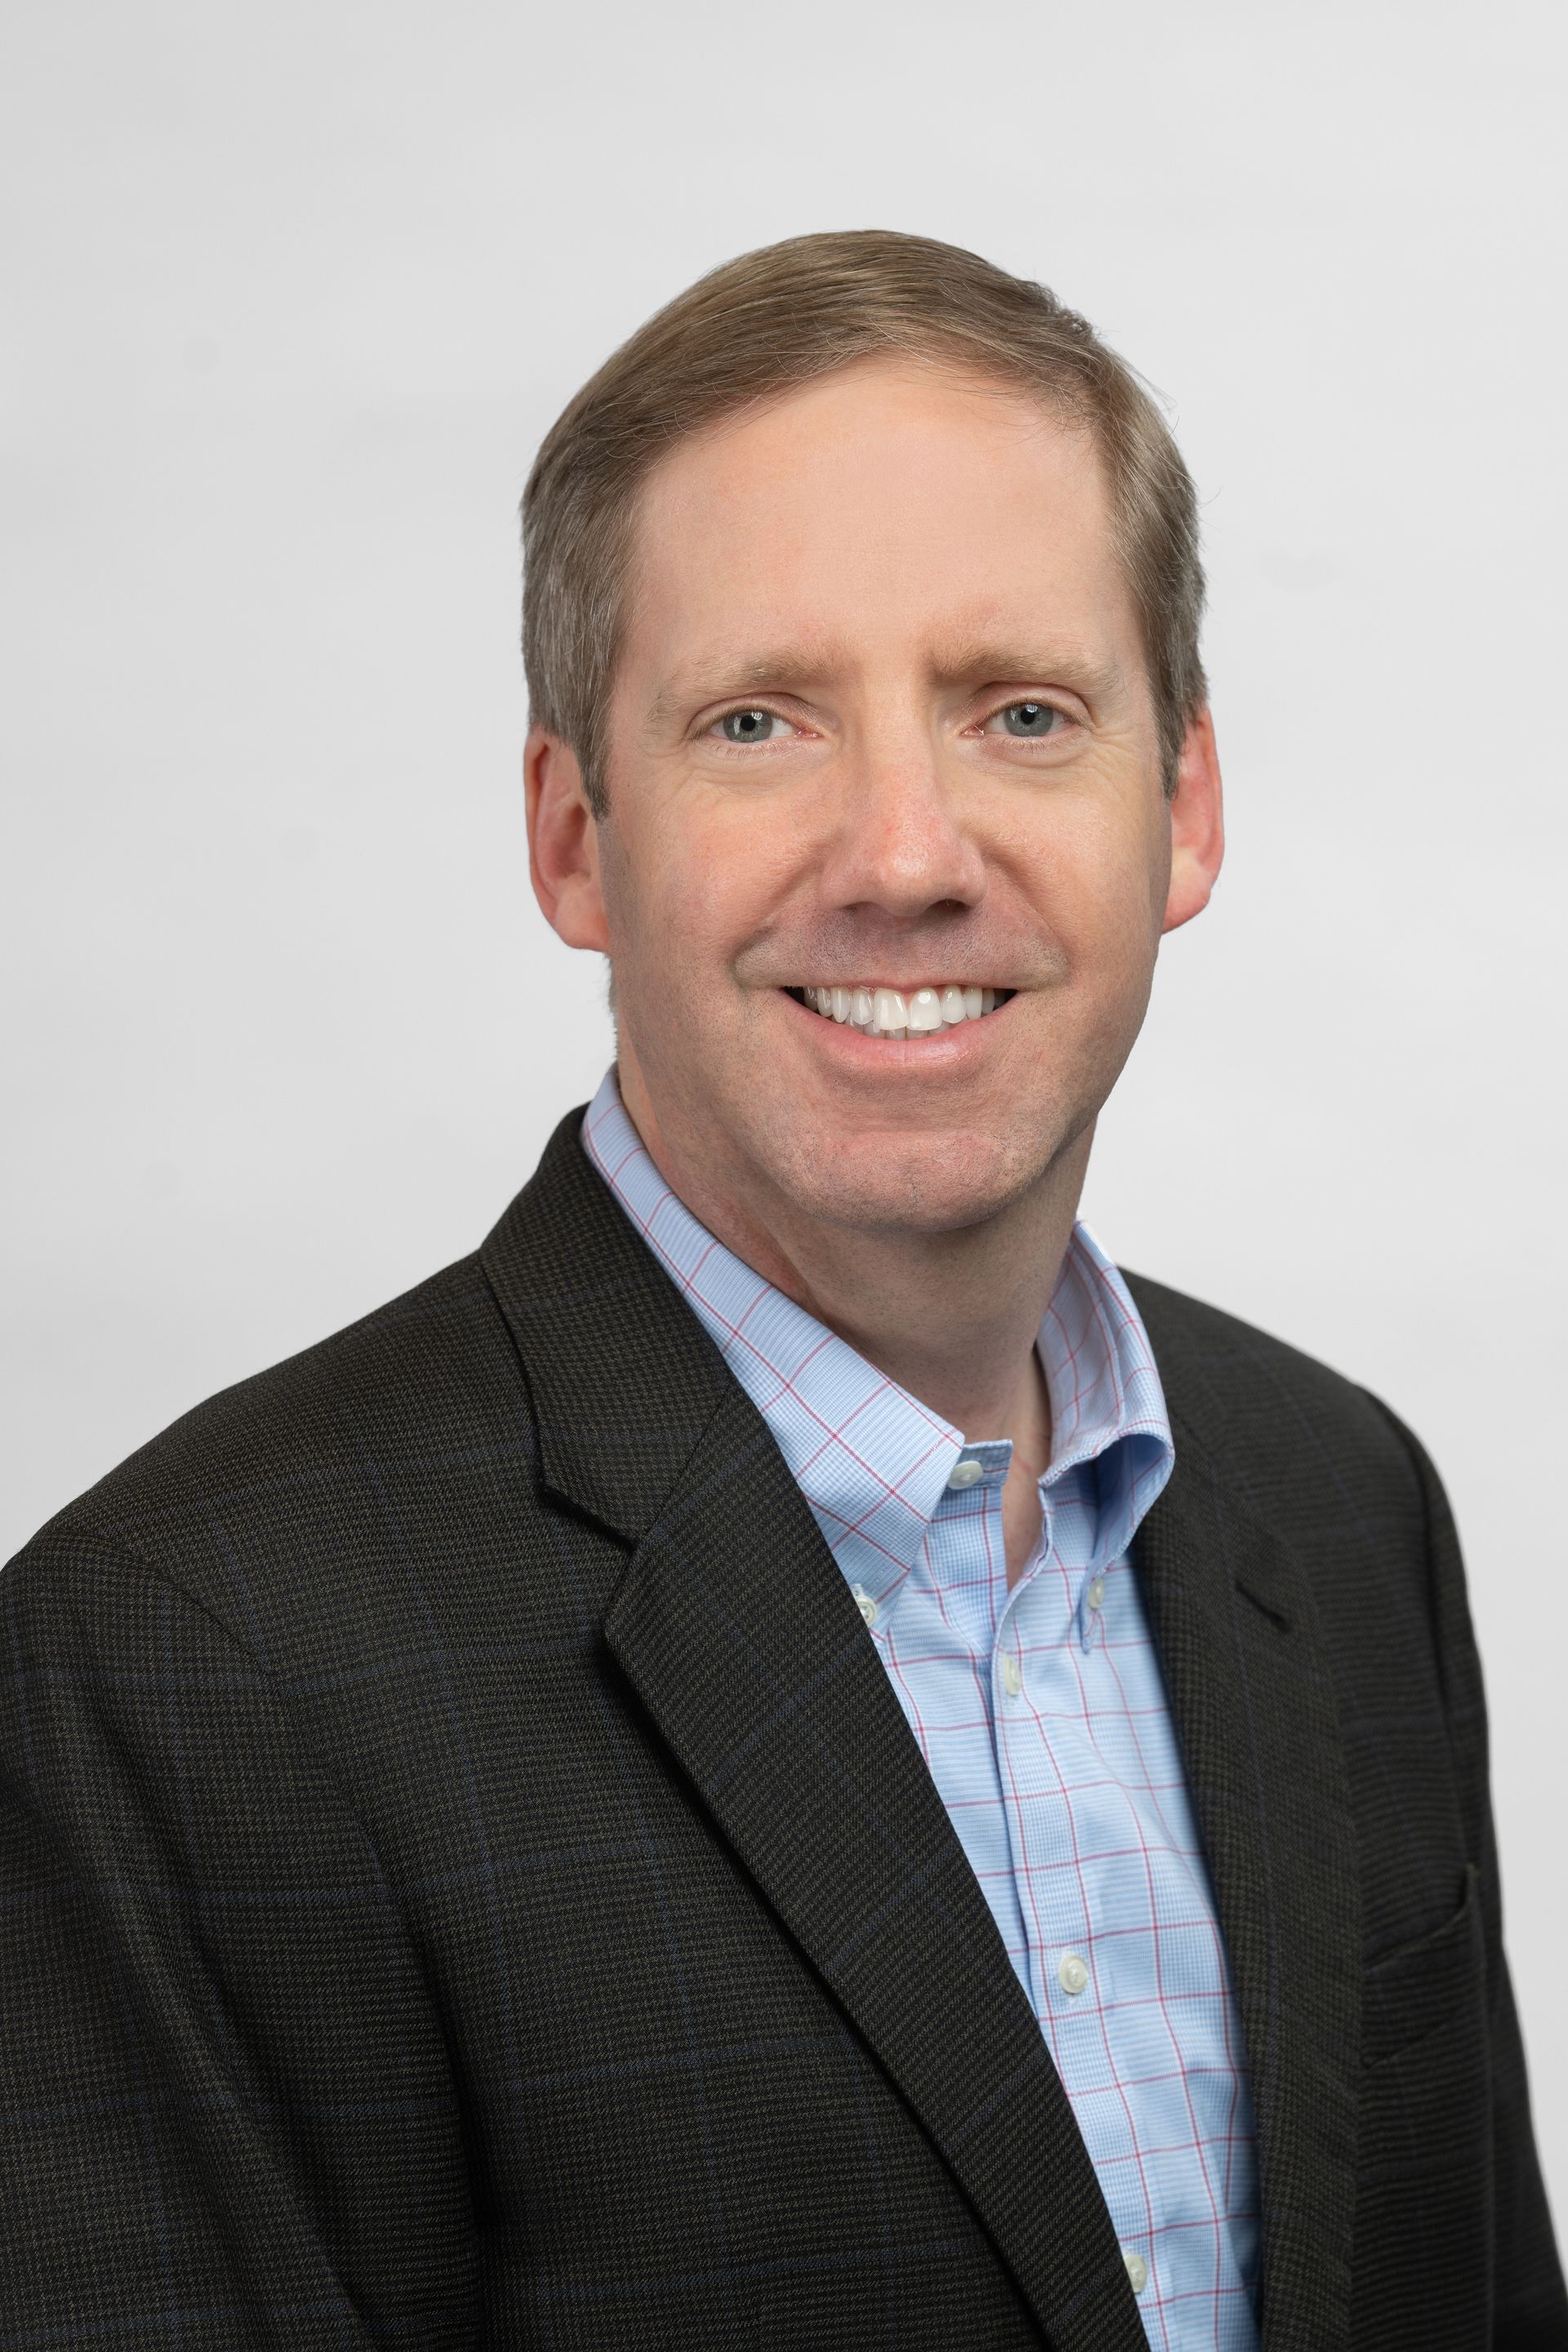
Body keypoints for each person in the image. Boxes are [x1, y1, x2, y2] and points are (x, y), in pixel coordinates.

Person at [2, 230, 1561, 2352]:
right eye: (760, 720)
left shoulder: (1341, 1504)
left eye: (1024, 711)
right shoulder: (181, 1675)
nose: (908, 849)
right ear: (575, 835)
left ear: (1179, 807)